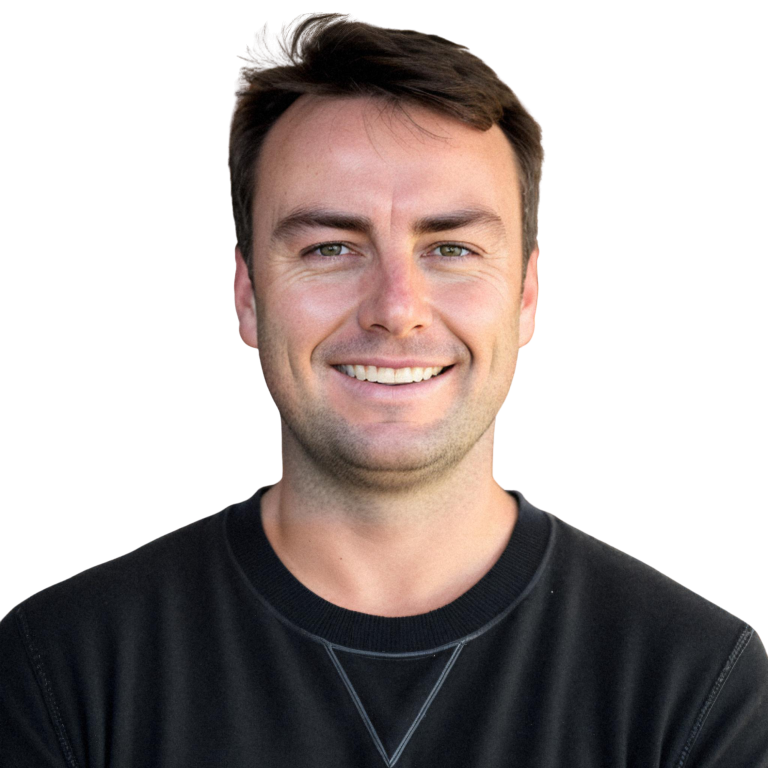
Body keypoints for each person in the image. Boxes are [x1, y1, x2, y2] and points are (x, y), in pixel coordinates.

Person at [2, 12, 766, 767]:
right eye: (330, 247)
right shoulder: (58, 667)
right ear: (246, 293)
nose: (396, 308)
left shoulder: (699, 684)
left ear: (528, 295)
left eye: (452, 248)